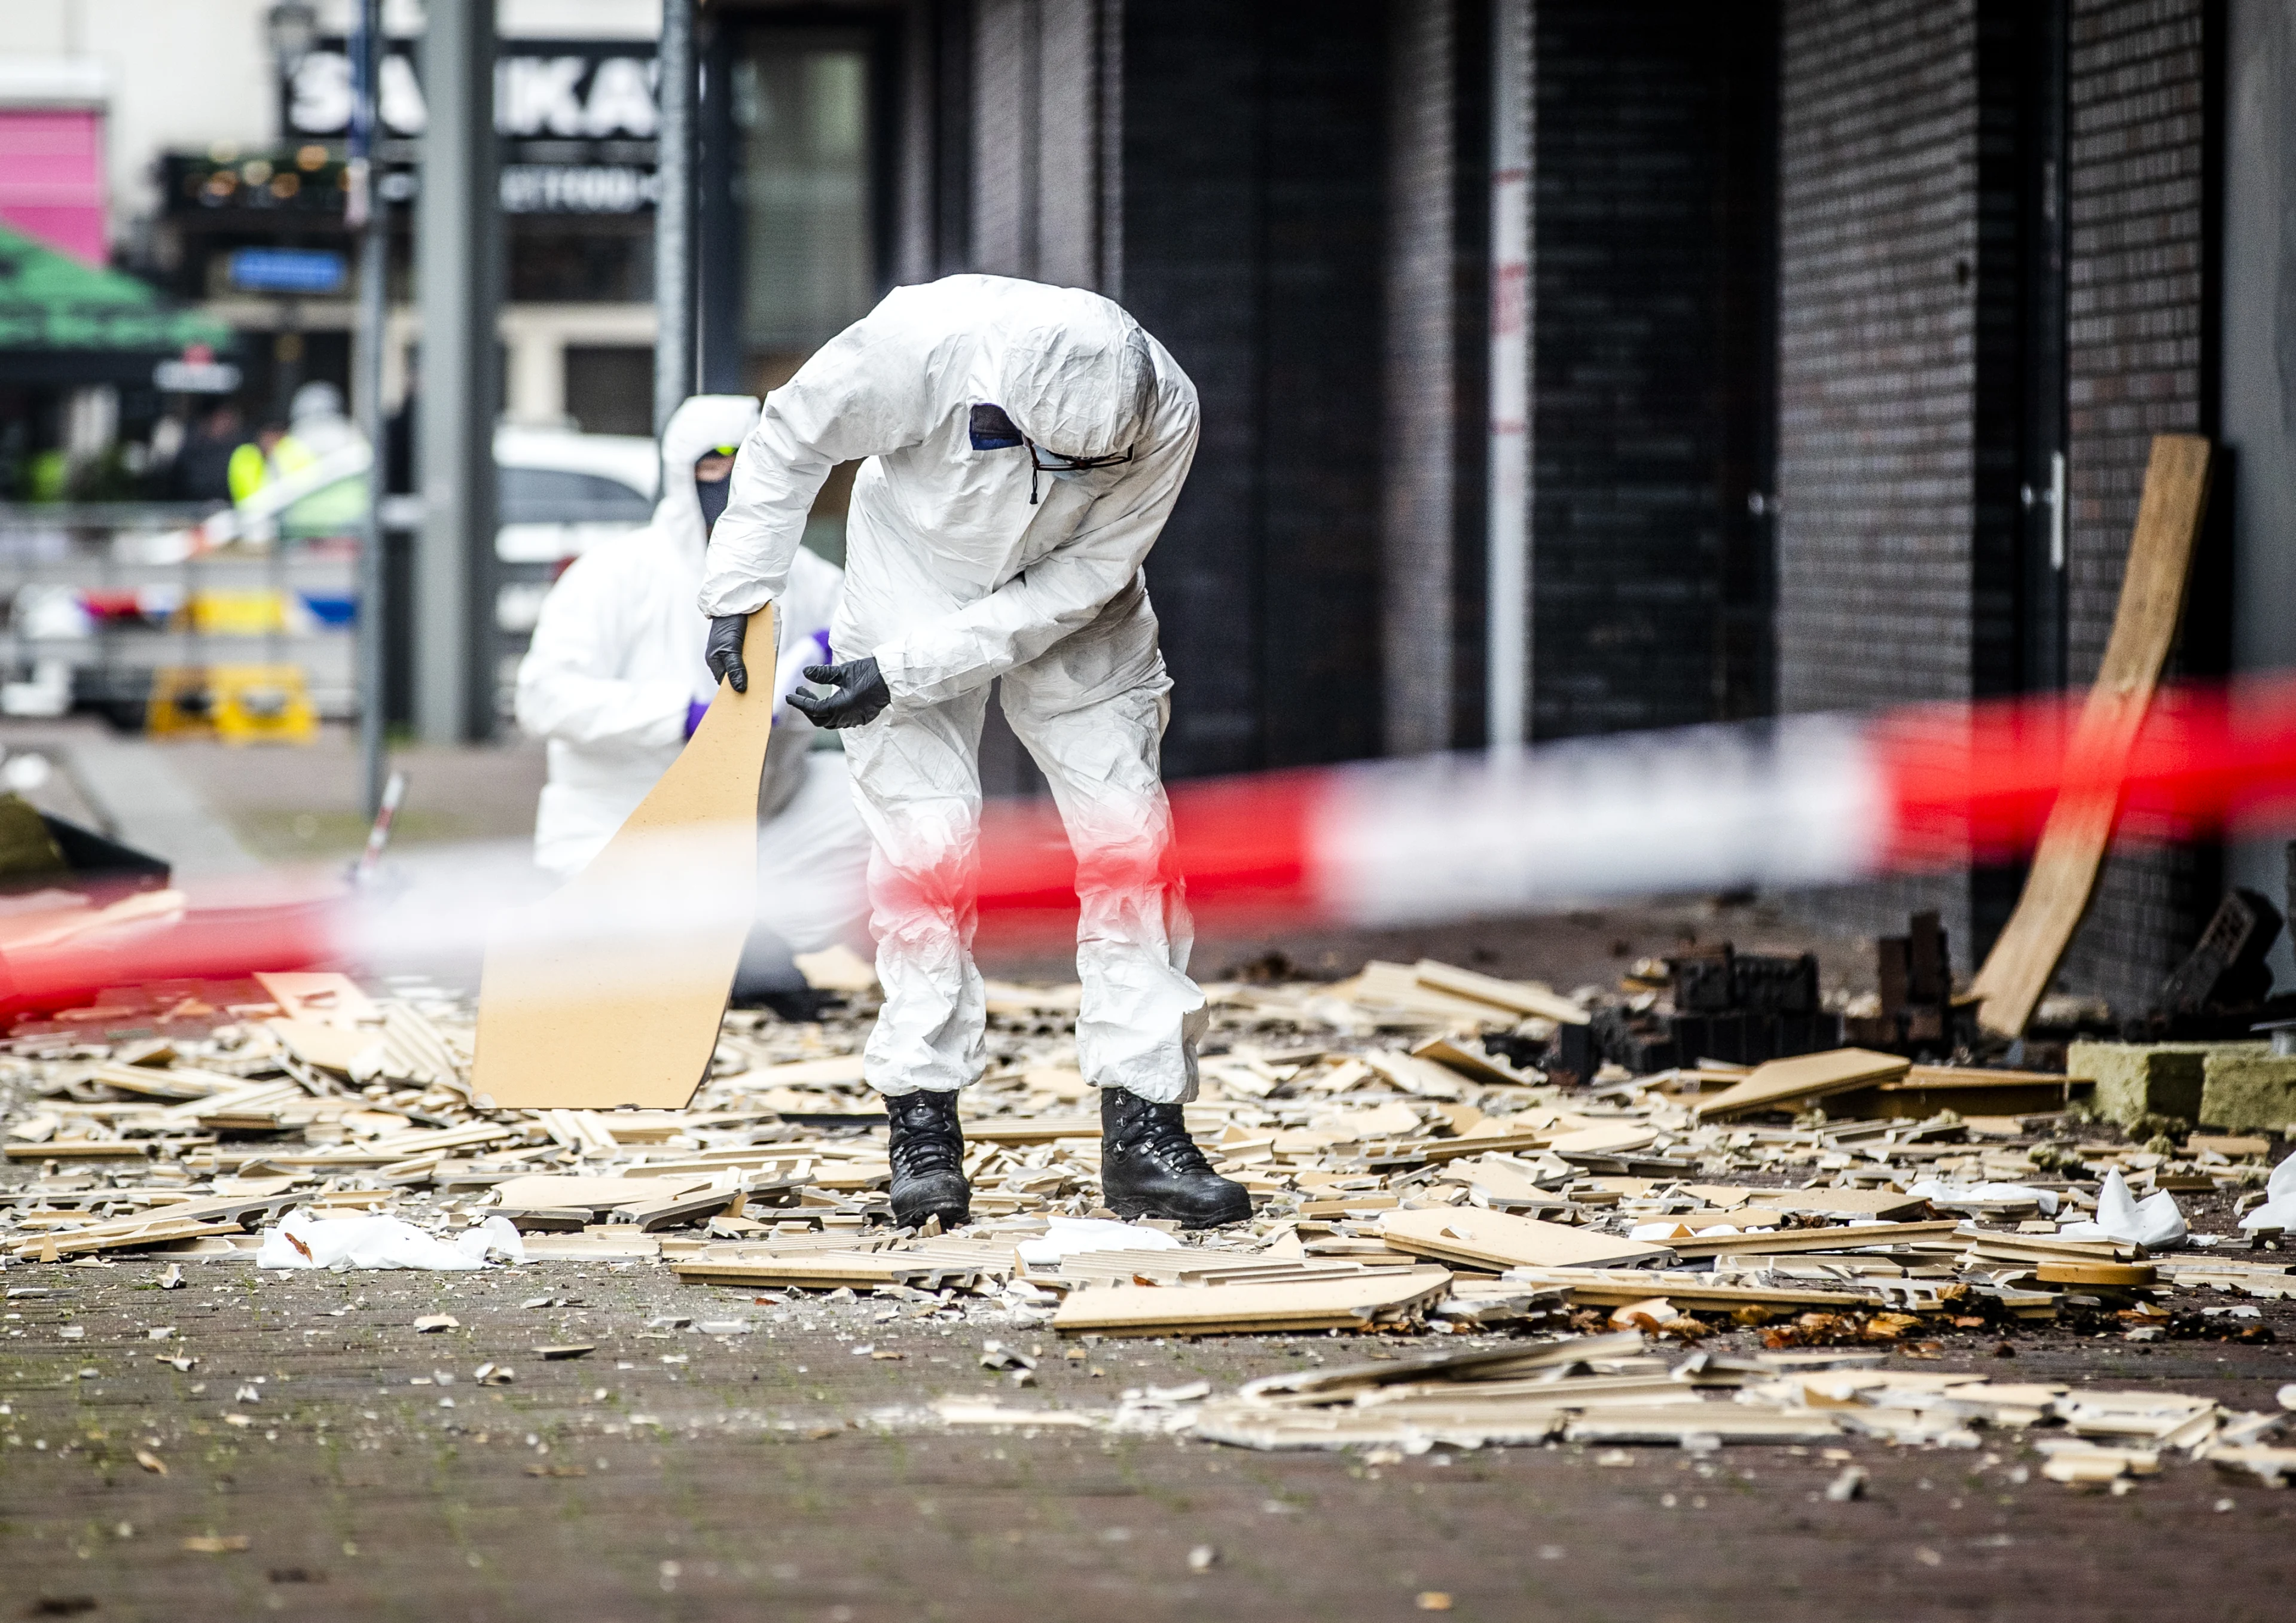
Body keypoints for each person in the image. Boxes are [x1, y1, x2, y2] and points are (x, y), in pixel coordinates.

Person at [698, 273, 1250, 1232]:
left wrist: (909, 670)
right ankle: (923, 1129)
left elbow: (1080, 579)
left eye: (1092, 468)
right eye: (1051, 460)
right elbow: (788, 438)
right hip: (912, 572)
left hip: (1078, 612)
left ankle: (1147, 1127)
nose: (1070, 480)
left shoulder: (1167, 407)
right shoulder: (919, 343)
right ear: (1002, 401)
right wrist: (740, 593)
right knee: (924, 853)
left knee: (1132, 843)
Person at [515, 394, 869, 1001]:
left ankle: (751, 943)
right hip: (624, 837)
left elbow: (874, 619)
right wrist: (681, 716)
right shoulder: (615, 575)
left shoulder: (801, 575)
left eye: (751, 461)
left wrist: (832, 644)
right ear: (682, 472)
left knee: (879, 804)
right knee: (645, 966)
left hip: (756, 828)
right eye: (716, 463)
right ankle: (689, 955)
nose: (732, 480)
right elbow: (544, 697)